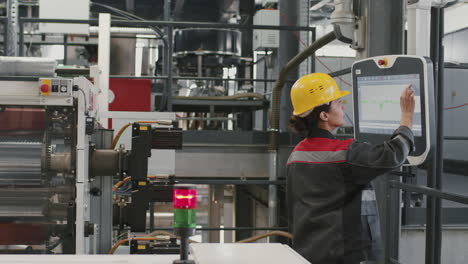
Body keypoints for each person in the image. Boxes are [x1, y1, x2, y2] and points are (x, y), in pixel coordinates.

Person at [286, 72, 415, 264]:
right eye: (337, 103)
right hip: (343, 255)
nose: (342, 106)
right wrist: (406, 115)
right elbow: (393, 154)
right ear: (324, 115)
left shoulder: (296, 154)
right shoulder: (344, 153)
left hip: (308, 252)